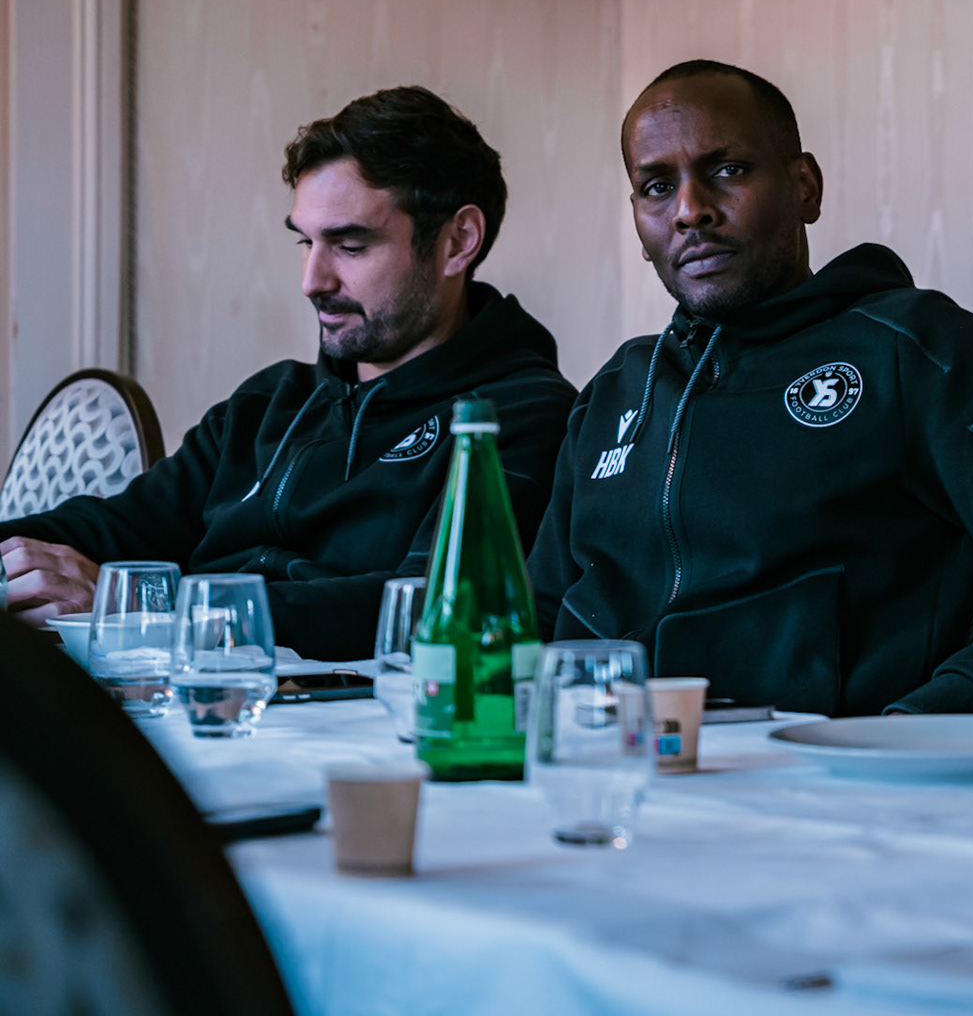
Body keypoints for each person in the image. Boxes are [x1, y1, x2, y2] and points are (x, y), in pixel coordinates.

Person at [530, 60, 973, 716]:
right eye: (657, 186)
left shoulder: (917, 351)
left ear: (805, 187)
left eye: (727, 170)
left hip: (842, 782)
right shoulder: (616, 394)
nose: (690, 211)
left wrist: (930, 727)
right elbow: (535, 616)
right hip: (613, 768)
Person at [2, 87, 577, 659]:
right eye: (306, 241)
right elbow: (115, 527)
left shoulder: (519, 415)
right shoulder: (269, 402)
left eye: (350, 245)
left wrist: (148, 602)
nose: (312, 280)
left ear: (459, 241)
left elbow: (430, 606)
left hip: (346, 725)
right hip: (197, 696)